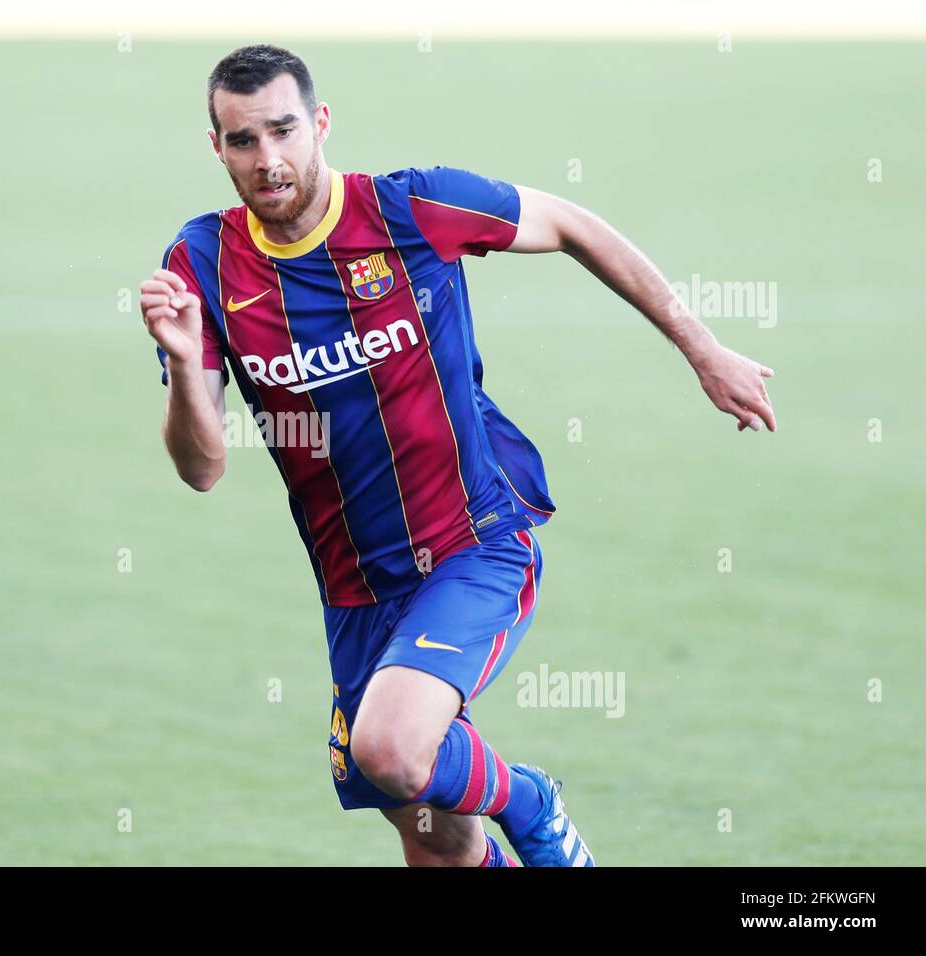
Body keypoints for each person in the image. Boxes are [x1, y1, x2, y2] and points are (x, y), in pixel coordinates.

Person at [139, 44, 776, 867]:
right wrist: (187, 367)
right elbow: (203, 467)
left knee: (394, 751)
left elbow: (573, 224)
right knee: (439, 839)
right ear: (216, 148)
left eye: (284, 131)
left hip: (471, 546)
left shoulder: (414, 208)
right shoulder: (202, 265)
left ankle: (530, 798)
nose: (269, 160)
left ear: (321, 124)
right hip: (355, 591)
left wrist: (703, 348)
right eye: (242, 141)